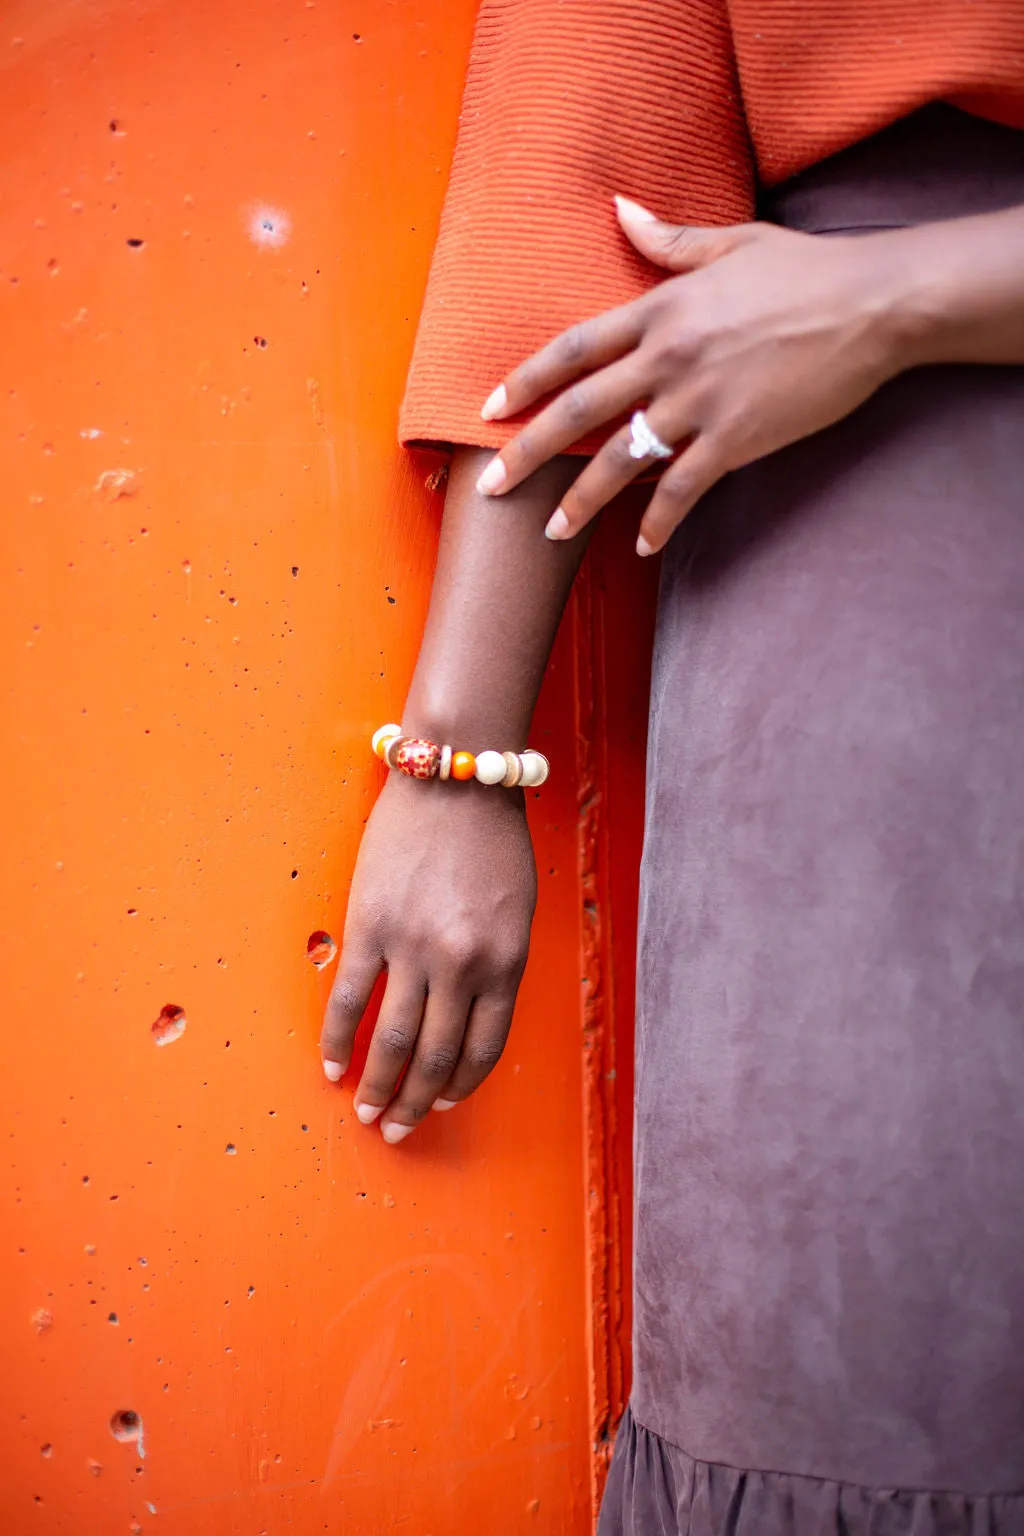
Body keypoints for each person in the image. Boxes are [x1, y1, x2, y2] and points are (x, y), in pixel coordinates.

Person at [321, 3, 1024, 1530]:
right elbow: (577, 158)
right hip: (862, 556)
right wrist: (454, 767)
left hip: (838, 371)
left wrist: (897, 296)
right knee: (865, 1351)